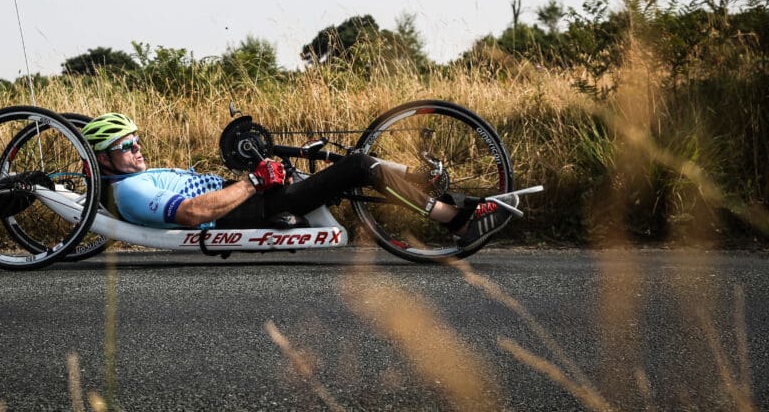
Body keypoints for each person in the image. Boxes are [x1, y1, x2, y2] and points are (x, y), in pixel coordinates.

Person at [81, 112, 515, 249]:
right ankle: (455, 219)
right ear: (104, 158)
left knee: (338, 165)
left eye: (136, 141)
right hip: (246, 211)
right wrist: (253, 181)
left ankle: (433, 188)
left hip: (248, 198)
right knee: (357, 168)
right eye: (125, 146)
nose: (136, 149)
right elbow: (194, 213)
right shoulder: (131, 192)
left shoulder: (134, 176)